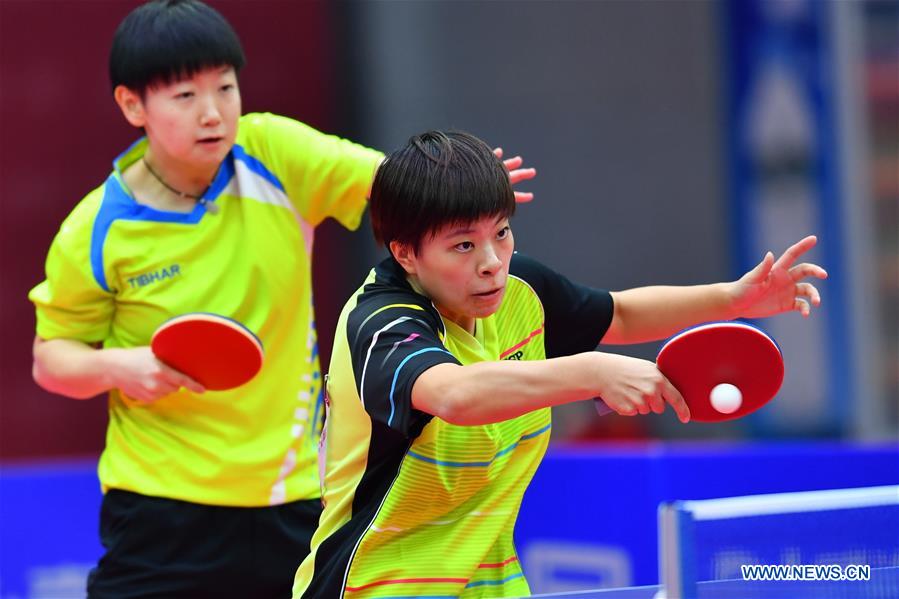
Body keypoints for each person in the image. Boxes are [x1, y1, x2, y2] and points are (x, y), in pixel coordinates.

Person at [27, 2, 534, 597]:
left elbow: (393, 188)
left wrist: (457, 195)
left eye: (225, 86)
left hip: (293, 498)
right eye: (184, 96)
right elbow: (51, 359)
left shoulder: (273, 153)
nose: (213, 111)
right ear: (133, 105)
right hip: (160, 508)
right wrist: (122, 366)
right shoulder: (96, 230)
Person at [293, 130, 827, 598]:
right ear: (406, 253)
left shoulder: (518, 289)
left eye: (500, 233)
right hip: (376, 585)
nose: (490, 263)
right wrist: (593, 373)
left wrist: (733, 299)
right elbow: (455, 394)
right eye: (462, 245)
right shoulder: (381, 322)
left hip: (492, 584)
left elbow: (617, 314)